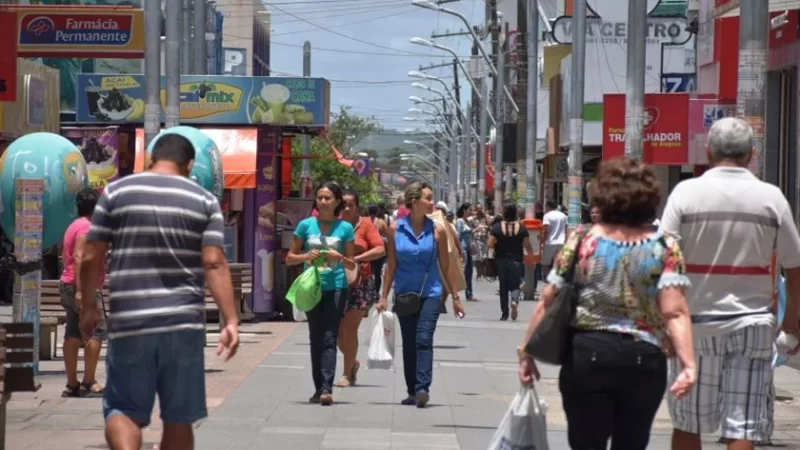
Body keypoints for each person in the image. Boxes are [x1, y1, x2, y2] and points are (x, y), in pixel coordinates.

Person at [518, 157, 696, 450]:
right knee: (632, 443)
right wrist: (688, 364)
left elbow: (548, 299)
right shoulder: (665, 246)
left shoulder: (583, 240)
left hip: (587, 354)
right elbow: (675, 311)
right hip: (644, 358)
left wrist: (527, 352)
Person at [78, 133, 240, 450]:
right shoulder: (205, 201)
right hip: (183, 324)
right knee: (178, 418)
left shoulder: (116, 192)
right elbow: (214, 262)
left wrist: (87, 306)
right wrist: (231, 320)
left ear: (150, 157)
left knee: (123, 409)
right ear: (189, 165)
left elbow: (90, 254)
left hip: (130, 322)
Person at [660, 117, 800, 450]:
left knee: (687, 421)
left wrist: (662, 322)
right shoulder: (771, 198)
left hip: (692, 325)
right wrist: (791, 321)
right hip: (751, 325)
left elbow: (662, 262)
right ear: (751, 154)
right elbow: (794, 267)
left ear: (708, 152)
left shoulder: (685, 194)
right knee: (742, 426)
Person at [378, 182, 464, 408]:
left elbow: (446, 267)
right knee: (409, 342)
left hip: (431, 293)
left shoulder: (438, 230)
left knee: (424, 338)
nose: (432, 202)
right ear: (414, 201)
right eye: (428, 198)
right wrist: (383, 296)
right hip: (405, 293)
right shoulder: (395, 229)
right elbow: (391, 266)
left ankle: (423, 387)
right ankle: (412, 390)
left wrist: (454, 297)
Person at [286, 182, 356, 406]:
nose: (323, 202)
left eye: (328, 198)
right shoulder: (305, 226)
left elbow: (352, 263)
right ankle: (318, 388)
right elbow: (289, 258)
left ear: (337, 202)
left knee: (329, 336)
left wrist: (339, 257)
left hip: (336, 287)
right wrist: (306, 256)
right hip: (312, 288)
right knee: (315, 337)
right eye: (320, 198)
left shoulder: (345, 228)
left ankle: (326, 388)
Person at [59, 188, 107, 398]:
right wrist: (81, 291)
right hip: (83, 286)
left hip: (67, 282)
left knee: (72, 332)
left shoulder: (73, 226)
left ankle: (72, 383)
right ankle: (88, 380)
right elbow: (79, 257)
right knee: (97, 331)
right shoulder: (87, 228)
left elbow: (64, 257)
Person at [336, 190, 385, 387]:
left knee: (349, 329)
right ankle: (352, 361)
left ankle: (346, 374)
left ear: (357, 207)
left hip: (360, 282)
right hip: (336, 281)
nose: (347, 208)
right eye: (344, 204)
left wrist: (356, 258)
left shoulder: (365, 225)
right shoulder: (334, 224)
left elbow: (380, 248)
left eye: (351, 205)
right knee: (337, 333)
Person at [487, 203, 535, 321]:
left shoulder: (497, 227)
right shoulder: (522, 228)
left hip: (501, 260)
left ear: (504, 213)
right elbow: (527, 246)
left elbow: (490, 244)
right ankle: (514, 301)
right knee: (515, 285)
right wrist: (532, 260)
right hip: (516, 261)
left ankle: (504, 313)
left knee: (503, 286)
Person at [430, 200, 465, 315]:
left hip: (438, 256)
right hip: (441, 256)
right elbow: (455, 238)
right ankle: (441, 303)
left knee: (442, 281)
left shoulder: (439, 223)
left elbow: (455, 237)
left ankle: (441, 303)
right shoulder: (444, 224)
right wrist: (460, 251)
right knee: (444, 280)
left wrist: (460, 251)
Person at [455, 203, 478, 302]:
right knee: (463, 272)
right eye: (469, 210)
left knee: (469, 272)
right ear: (464, 210)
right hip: (463, 248)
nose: (471, 212)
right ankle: (454, 292)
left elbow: (470, 235)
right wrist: (459, 249)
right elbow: (458, 235)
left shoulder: (468, 222)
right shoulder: (460, 221)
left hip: (468, 248)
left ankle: (469, 293)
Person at [541, 200, 568, 279]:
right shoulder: (563, 215)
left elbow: (545, 230)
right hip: (562, 242)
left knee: (544, 263)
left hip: (550, 242)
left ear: (548, 207)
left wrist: (542, 241)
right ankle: (557, 280)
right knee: (558, 263)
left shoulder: (547, 215)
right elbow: (566, 229)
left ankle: (550, 279)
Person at [368, 204, 389, 296]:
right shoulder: (381, 222)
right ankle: (376, 292)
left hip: (368, 250)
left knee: (368, 272)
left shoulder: (365, 221)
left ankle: (369, 291)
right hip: (379, 250)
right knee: (377, 273)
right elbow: (387, 234)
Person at [469, 203, 491, 280]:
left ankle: (482, 272)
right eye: (478, 209)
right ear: (476, 210)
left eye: (480, 208)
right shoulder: (473, 219)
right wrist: (477, 228)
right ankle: (479, 274)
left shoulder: (486, 217)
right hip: (477, 239)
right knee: (479, 257)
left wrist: (485, 218)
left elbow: (490, 226)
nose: (479, 210)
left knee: (484, 257)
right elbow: (470, 230)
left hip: (485, 239)